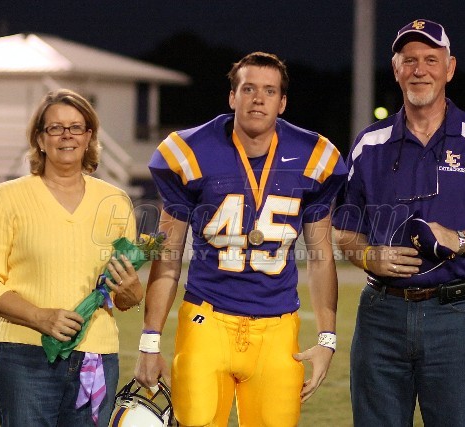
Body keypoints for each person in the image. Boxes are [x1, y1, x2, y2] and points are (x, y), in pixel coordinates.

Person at [332, 19, 465, 426]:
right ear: (396, 69)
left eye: (430, 59)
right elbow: (344, 229)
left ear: (449, 68)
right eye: (409, 60)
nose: (419, 70)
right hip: (381, 316)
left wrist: (459, 239)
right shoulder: (370, 143)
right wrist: (369, 255)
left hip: (454, 316)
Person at [134, 52, 347, 426]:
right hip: (206, 321)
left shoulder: (313, 155)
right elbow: (168, 255)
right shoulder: (191, 151)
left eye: (269, 91)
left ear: (282, 102)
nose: (258, 99)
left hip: (278, 327)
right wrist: (149, 341)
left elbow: (321, 256)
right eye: (248, 89)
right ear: (232, 96)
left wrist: (327, 340)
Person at [0, 88, 143, 426]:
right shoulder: (7, 197)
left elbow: (126, 298)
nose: (67, 135)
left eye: (76, 127)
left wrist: (131, 291)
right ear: (39, 138)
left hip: (96, 356)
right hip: (26, 357)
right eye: (55, 128)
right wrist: (40, 317)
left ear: (89, 136)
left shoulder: (116, 201)